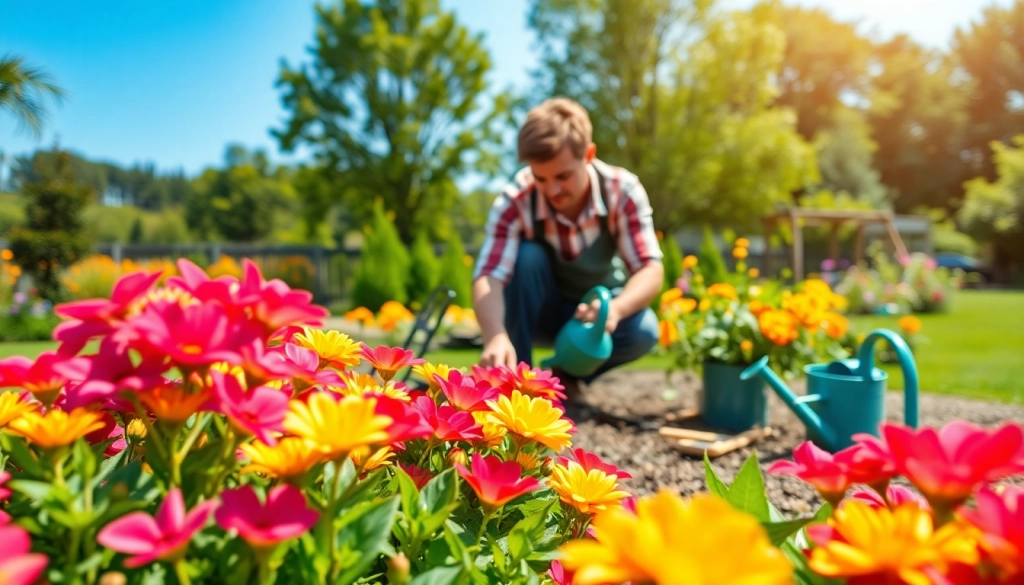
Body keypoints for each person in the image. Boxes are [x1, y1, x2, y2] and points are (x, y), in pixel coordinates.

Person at [471, 97, 664, 403]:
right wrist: (495, 334)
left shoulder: (623, 191)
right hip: (538, 312)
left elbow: (650, 269)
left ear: (588, 155)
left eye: (562, 176)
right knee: (526, 257)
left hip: (595, 316)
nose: (551, 191)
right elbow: (488, 276)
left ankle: (565, 377)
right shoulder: (515, 199)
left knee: (643, 330)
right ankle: (514, 386)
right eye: (540, 178)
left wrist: (614, 310)